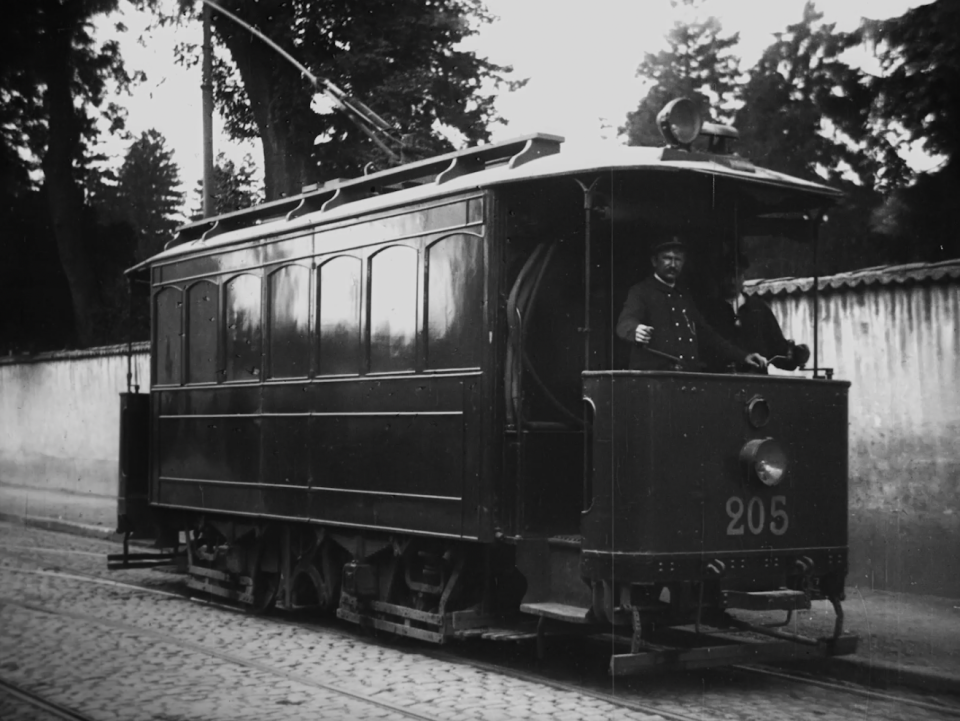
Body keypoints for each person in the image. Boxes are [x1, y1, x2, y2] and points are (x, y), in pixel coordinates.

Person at [615, 237, 767, 372]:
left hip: (687, 381)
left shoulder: (684, 296)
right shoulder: (641, 291)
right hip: (656, 382)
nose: (673, 264)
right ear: (654, 261)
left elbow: (708, 335)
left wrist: (743, 356)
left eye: (678, 259)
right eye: (667, 258)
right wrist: (635, 330)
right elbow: (625, 322)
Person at [702, 261, 811, 373]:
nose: (732, 281)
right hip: (721, 383)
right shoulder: (710, 311)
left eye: (737, 274)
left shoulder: (759, 309)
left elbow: (777, 349)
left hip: (756, 383)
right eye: (727, 275)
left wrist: (795, 355)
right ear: (720, 277)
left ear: (743, 277)